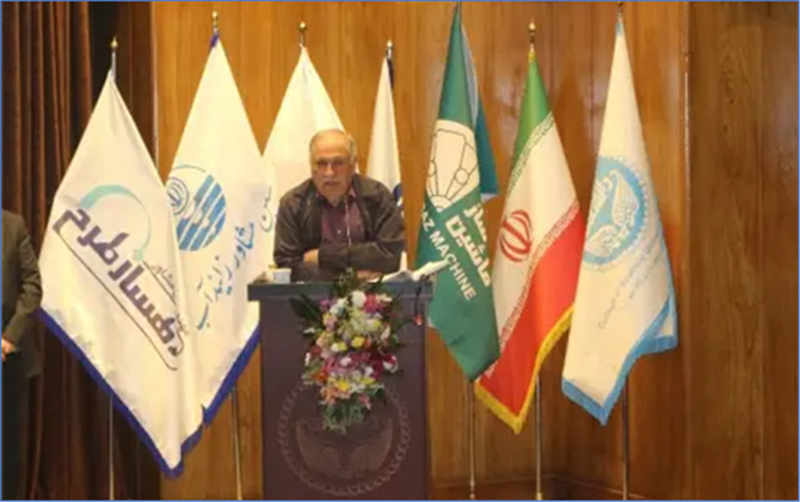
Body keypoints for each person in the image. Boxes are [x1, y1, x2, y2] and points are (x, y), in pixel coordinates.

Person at [274, 129, 405, 282]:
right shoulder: (293, 204)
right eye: (321, 163)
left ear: (353, 164)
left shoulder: (377, 197)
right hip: (313, 296)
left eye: (338, 163)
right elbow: (287, 267)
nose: (329, 173)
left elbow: (390, 256)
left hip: (373, 295)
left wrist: (321, 256)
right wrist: (349, 278)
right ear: (311, 166)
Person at [2, 209, 42, 500]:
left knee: (8, 452)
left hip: (9, 361)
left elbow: (32, 287)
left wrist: (8, 338)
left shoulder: (13, 225)